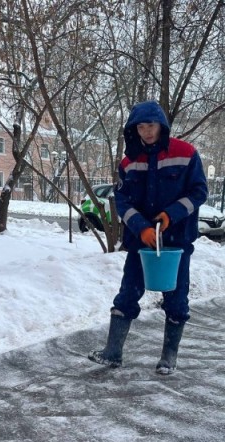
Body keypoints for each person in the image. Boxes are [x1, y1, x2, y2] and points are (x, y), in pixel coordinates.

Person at [88, 100, 208, 375]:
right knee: (128, 293)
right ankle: (113, 352)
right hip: (141, 243)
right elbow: (122, 199)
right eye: (140, 126)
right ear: (133, 129)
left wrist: (171, 215)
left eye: (151, 125)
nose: (146, 131)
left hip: (175, 242)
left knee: (176, 297)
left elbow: (199, 191)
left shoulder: (186, 153)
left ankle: (169, 356)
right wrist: (141, 227)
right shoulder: (129, 162)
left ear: (161, 125)